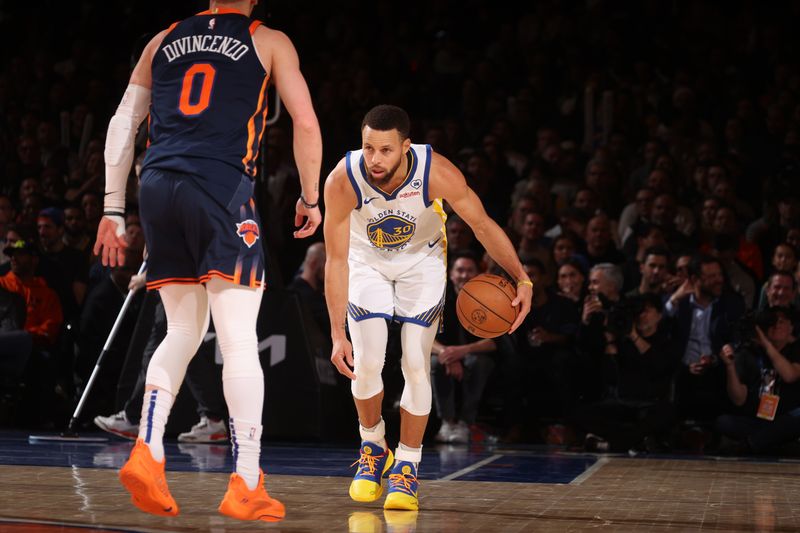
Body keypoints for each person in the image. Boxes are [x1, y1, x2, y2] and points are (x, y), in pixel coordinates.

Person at [93, 0, 322, 522]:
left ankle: (148, 449)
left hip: (156, 186)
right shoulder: (269, 40)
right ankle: (246, 482)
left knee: (181, 330)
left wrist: (111, 208)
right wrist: (310, 197)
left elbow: (122, 123)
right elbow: (306, 124)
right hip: (217, 186)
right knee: (238, 336)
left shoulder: (162, 38)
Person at [323, 105, 532, 511]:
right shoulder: (342, 179)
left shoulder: (437, 172)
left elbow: (483, 225)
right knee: (366, 361)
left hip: (423, 261)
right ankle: (373, 446)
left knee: (416, 364)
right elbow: (334, 261)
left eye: (385, 150)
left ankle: (407, 466)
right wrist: (336, 332)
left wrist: (522, 277)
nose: (375, 159)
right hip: (366, 262)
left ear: (405, 146)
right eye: (368, 148)